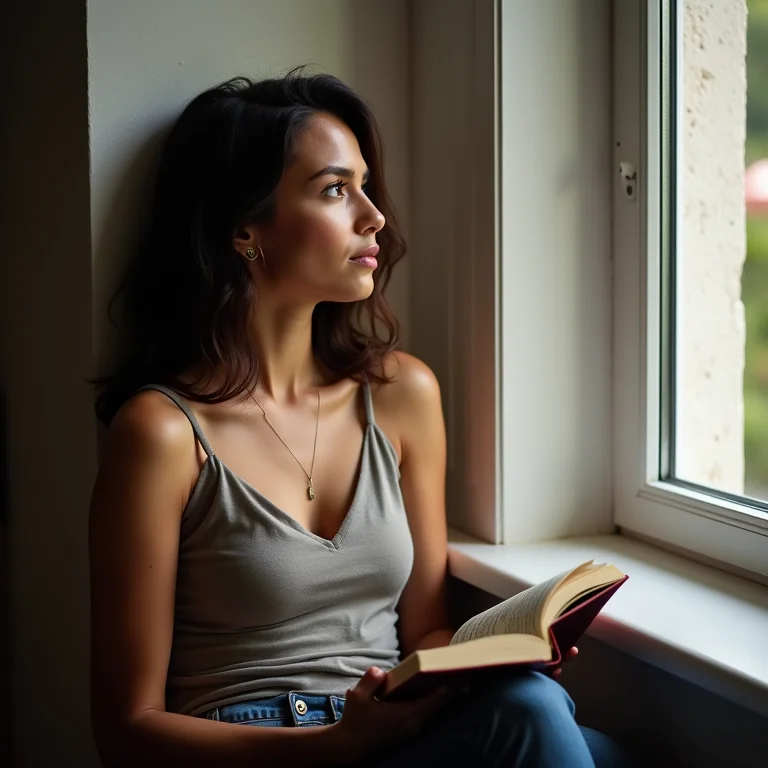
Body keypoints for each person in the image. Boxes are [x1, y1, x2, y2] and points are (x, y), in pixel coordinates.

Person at [89, 68, 630, 767]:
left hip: (388, 726)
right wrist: (333, 744)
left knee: (574, 732)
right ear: (245, 229)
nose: (374, 217)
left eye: (365, 186)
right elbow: (127, 733)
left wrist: (500, 659)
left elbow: (425, 632)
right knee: (550, 728)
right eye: (335, 190)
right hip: (261, 746)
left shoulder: (402, 395)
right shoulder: (161, 434)